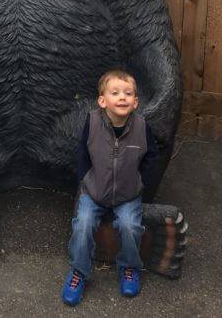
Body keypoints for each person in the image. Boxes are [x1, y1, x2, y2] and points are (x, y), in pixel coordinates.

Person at [61, 69, 158, 306]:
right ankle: (79, 272)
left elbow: (152, 158)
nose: (122, 97)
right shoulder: (92, 122)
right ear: (103, 101)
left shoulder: (142, 127)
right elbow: (83, 152)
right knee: (82, 225)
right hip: (94, 192)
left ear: (135, 102)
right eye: (115, 93)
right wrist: (85, 179)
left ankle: (129, 267)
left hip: (127, 194)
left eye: (128, 93)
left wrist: (141, 183)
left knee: (130, 226)